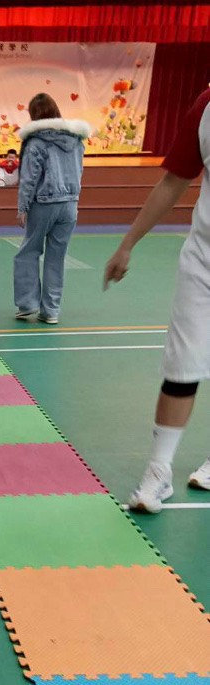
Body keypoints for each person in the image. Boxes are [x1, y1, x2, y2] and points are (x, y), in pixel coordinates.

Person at [104, 88, 210, 512]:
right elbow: (173, 181)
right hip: (203, 262)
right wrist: (127, 243)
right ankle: (158, 471)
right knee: (181, 365)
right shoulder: (205, 105)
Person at [13, 94, 89, 324]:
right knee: (56, 258)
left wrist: (22, 207)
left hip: (43, 203)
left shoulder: (35, 142)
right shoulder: (76, 140)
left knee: (28, 252)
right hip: (70, 204)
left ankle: (27, 304)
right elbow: (79, 171)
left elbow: (29, 178)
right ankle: (51, 311)